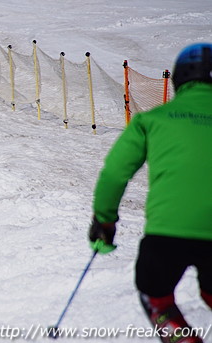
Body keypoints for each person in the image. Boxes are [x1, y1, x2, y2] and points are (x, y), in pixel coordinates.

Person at [89, 43, 212, 343]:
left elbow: (115, 173)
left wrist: (104, 220)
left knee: (156, 296)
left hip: (167, 233)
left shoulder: (152, 120)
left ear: (178, 80)